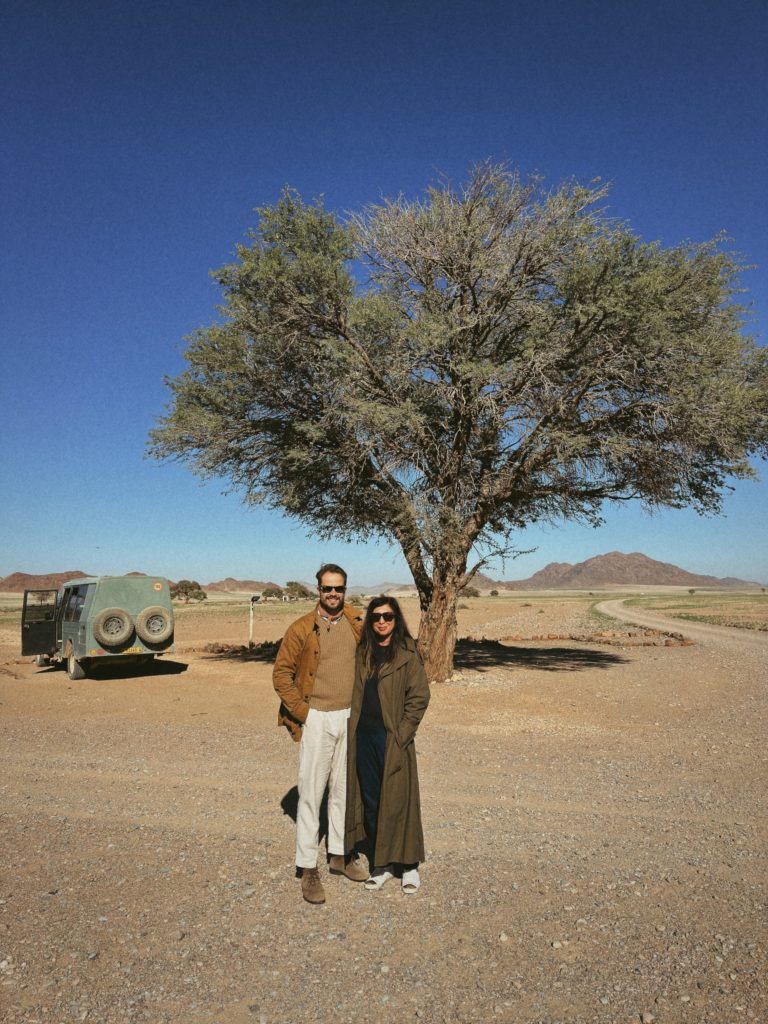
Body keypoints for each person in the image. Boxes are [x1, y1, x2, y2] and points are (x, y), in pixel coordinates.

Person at [272, 563, 368, 904]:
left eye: (339, 589)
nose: (333, 594)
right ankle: (307, 867)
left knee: (343, 790)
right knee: (311, 794)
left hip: (348, 718)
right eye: (327, 588)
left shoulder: (358, 623)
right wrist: (304, 713)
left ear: (345, 589)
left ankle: (340, 856)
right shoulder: (301, 628)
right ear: (318, 590)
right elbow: (281, 674)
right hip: (316, 719)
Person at [345, 595, 430, 893]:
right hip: (364, 737)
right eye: (376, 617)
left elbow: (419, 697)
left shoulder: (407, 653)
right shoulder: (363, 653)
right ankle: (381, 865)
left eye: (388, 616)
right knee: (371, 800)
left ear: (396, 620)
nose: (382, 621)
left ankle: (409, 866)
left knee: (400, 799)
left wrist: (403, 733)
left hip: (392, 737)